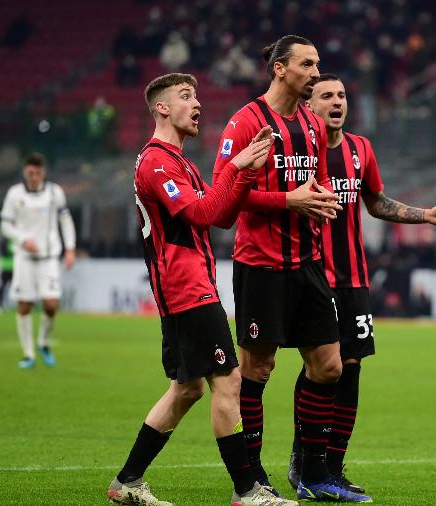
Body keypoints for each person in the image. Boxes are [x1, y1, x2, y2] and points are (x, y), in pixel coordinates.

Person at [106, 73, 297, 506]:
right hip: (184, 286)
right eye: (186, 97)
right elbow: (200, 213)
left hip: (190, 285)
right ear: (162, 108)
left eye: (197, 96)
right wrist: (235, 166)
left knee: (188, 388)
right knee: (228, 381)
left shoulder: (182, 162)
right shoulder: (157, 162)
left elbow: (223, 214)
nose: (197, 104)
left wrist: (245, 173)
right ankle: (247, 490)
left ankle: (127, 482)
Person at [286, 73, 436, 497]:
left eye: (342, 95)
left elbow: (376, 203)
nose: (337, 102)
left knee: (350, 370)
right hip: (313, 276)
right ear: (308, 104)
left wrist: (426, 215)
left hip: (354, 279)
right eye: (326, 95)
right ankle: (306, 461)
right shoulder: (298, 153)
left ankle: (331, 468)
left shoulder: (360, 149)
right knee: (322, 367)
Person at [212, 35, 369, 502]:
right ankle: (254, 475)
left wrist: (319, 198)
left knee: (329, 366)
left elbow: (316, 182)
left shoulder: (312, 125)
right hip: (260, 265)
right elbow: (224, 195)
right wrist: (289, 199)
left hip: (308, 264)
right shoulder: (245, 122)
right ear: (280, 69)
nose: (316, 72)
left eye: (318, 63)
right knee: (257, 369)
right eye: (307, 64)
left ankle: (313, 474)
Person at [0, 152, 76, 369]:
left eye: (38, 173)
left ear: (43, 173)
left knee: (51, 304)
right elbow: (5, 225)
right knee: (24, 305)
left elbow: (66, 220)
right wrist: (22, 240)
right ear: (25, 172)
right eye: (30, 173)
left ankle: (43, 343)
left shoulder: (54, 193)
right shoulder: (15, 194)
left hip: (49, 257)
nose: (34, 177)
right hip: (24, 257)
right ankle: (28, 355)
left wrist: (70, 248)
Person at [0, 237, 13, 309]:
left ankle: (11, 304)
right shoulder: (4, 241)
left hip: (15, 268)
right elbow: (3, 252)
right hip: (5, 267)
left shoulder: (15, 240)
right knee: (3, 286)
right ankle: (0, 304)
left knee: (14, 287)